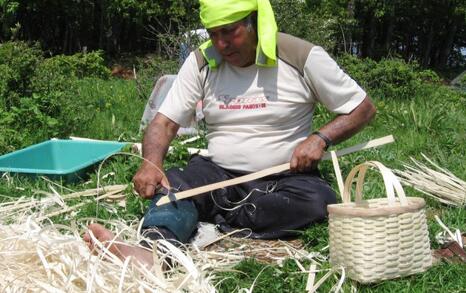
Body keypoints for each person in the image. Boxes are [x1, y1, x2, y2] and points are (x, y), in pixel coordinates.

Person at [84, 0, 376, 264]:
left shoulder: (300, 55)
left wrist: (320, 138)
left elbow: (362, 108)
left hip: (285, 178)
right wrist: (151, 164)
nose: (221, 43)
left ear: (255, 23)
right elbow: (164, 122)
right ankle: (155, 252)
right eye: (213, 34)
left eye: (230, 31)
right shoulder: (202, 61)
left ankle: (207, 214)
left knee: (316, 201)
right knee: (172, 186)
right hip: (218, 175)